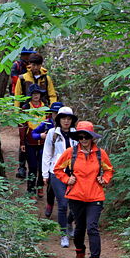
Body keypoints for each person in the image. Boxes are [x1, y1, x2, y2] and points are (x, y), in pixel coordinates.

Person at [53, 121, 114, 258]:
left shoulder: (100, 153)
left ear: (92, 137)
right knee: (80, 228)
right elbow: (58, 169)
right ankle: (80, 249)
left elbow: (109, 170)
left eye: (86, 136)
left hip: (95, 196)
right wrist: (67, 179)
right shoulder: (70, 153)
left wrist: (104, 179)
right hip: (76, 196)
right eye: (80, 137)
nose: (83, 139)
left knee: (92, 226)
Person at [41, 106, 78, 247]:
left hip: (75, 173)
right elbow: (47, 153)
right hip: (57, 172)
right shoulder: (52, 133)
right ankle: (64, 234)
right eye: (63, 118)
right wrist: (45, 174)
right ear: (59, 120)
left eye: (69, 119)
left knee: (76, 205)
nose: (66, 121)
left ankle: (69, 223)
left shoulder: (77, 134)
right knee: (62, 205)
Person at [31, 101, 63, 217]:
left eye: (58, 113)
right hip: (49, 158)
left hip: (65, 160)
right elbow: (33, 133)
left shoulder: (69, 128)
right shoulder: (46, 123)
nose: (56, 115)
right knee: (50, 186)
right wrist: (41, 136)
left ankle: (64, 208)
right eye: (54, 113)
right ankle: (50, 203)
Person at [19, 84, 48, 197]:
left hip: (43, 142)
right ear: (31, 95)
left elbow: (49, 123)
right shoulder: (26, 108)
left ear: (40, 94)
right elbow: (22, 126)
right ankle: (31, 190)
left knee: (42, 166)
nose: (36, 95)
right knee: (32, 167)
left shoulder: (45, 107)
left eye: (38, 93)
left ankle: (40, 187)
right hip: (30, 142)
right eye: (34, 93)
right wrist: (22, 142)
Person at [11, 47, 36, 180]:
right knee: (24, 138)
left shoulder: (37, 71)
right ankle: (21, 167)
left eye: (29, 54)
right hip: (22, 104)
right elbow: (14, 79)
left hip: (36, 106)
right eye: (25, 54)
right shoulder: (18, 65)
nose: (27, 57)